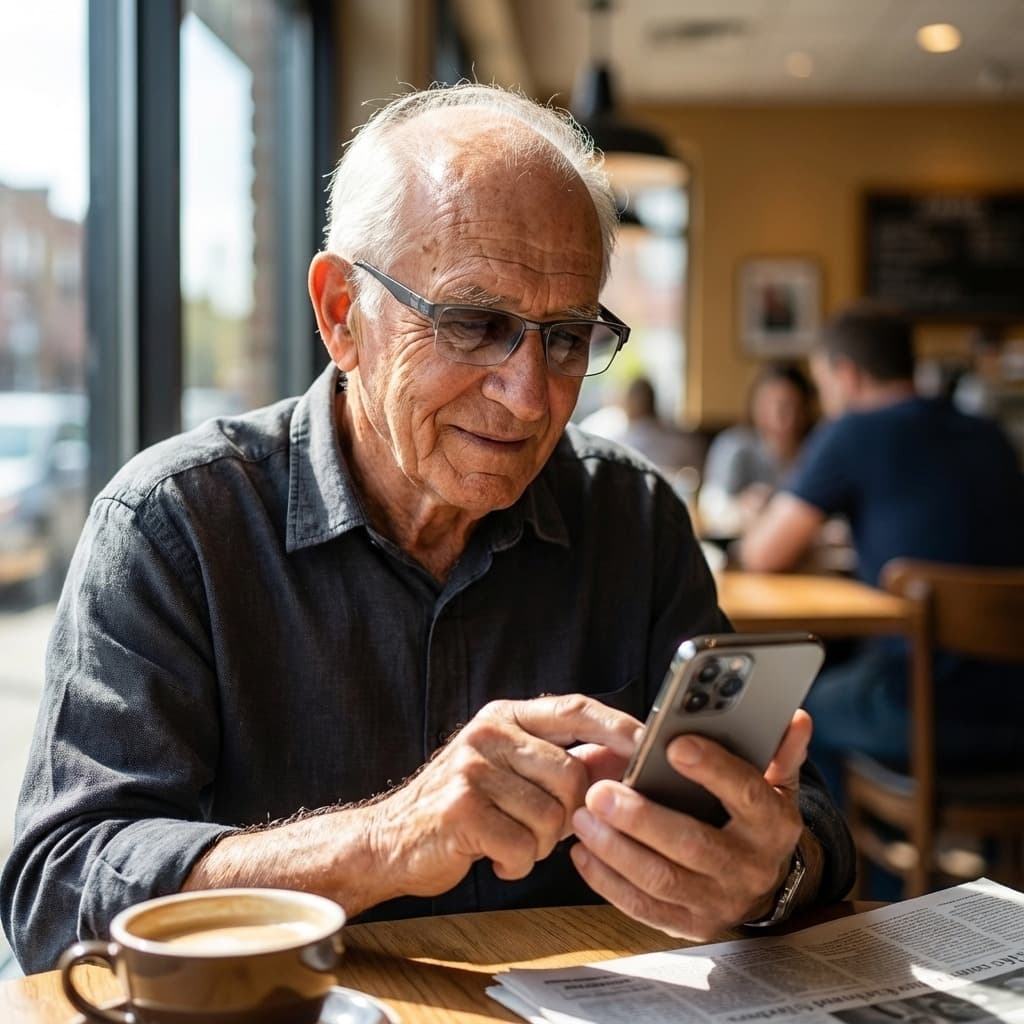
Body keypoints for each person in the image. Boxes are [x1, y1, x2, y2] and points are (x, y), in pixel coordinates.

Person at [0, 85, 854, 973]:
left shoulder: (632, 520)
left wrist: (769, 877)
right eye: (473, 324)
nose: (527, 397)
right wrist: (384, 842)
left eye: (564, 339)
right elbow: (57, 893)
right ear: (341, 314)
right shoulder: (176, 525)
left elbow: (808, 823)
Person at [739, 304, 1024, 798]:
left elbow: (763, 554)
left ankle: (855, 868)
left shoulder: (854, 431)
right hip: (1015, 707)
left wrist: (752, 523)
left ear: (846, 375)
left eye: (823, 383)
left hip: (920, 710)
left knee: (796, 714)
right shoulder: (989, 434)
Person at [699, 363, 815, 537]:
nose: (782, 417)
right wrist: (739, 509)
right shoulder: (734, 445)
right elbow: (710, 507)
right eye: (771, 404)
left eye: (791, 406)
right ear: (755, 406)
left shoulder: (815, 449)